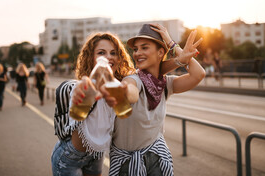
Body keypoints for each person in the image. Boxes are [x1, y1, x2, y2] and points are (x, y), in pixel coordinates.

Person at [104, 23, 205, 176]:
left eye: (144, 47)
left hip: (157, 158)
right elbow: (131, 89)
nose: (137, 53)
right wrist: (125, 92)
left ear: (160, 52)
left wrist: (173, 45)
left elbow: (198, 74)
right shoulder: (133, 79)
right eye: (136, 49)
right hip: (127, 163)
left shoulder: (166, 84)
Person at [51, 32, 138, 176]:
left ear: (119, 58)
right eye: (101, 53)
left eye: (113, 53)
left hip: (97, 156)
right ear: (91, 58)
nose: (108, 57)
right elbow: (70, 87)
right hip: (69, 158)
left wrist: (127, 91)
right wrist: (81, 91)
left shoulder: (118, 86)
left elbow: (133, 93)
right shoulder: (85, 85)